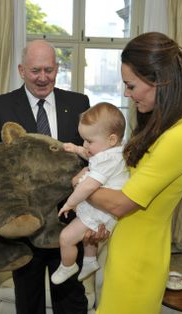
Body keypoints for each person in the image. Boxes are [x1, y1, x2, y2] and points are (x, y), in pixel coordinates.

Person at [84, 32, 182, 313]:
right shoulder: (163, 126)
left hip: (138, 257)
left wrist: (81, 183)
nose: (126, 94)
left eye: (131, 85)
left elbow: (121, 202)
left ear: (160, 79)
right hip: (122, 245)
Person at [0, 39, 90, 314]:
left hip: (68, 221)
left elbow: (92, 157)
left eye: (49, 70)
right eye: (35, 70)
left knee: (71, 300)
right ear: (21, 70)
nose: (43, 78)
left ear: (57, 68)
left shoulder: (78, 103)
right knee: (28, 301)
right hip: (24, 225)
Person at [50, 102, 129, 285]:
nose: (85, 144)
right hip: (105, 210)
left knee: (66, 237)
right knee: (88, 237)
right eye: (83, 140)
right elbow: (92, 156)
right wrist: (77, 149)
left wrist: (70, 203)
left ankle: (67, 266)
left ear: (111, 139)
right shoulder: (114, 152)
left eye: (89, 141)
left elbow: (87, 187)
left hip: (101, 210)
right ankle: (90, 261)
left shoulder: (107, 159)